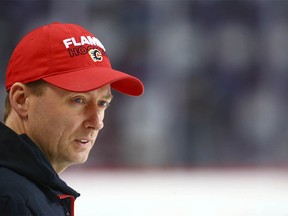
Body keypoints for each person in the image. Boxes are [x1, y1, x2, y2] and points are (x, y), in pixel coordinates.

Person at [0, 22, 144, 216]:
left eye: (102, 103)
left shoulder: (31, 192)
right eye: (78, 100)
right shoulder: (12, 200)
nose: (97, 123)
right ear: (21, 99)